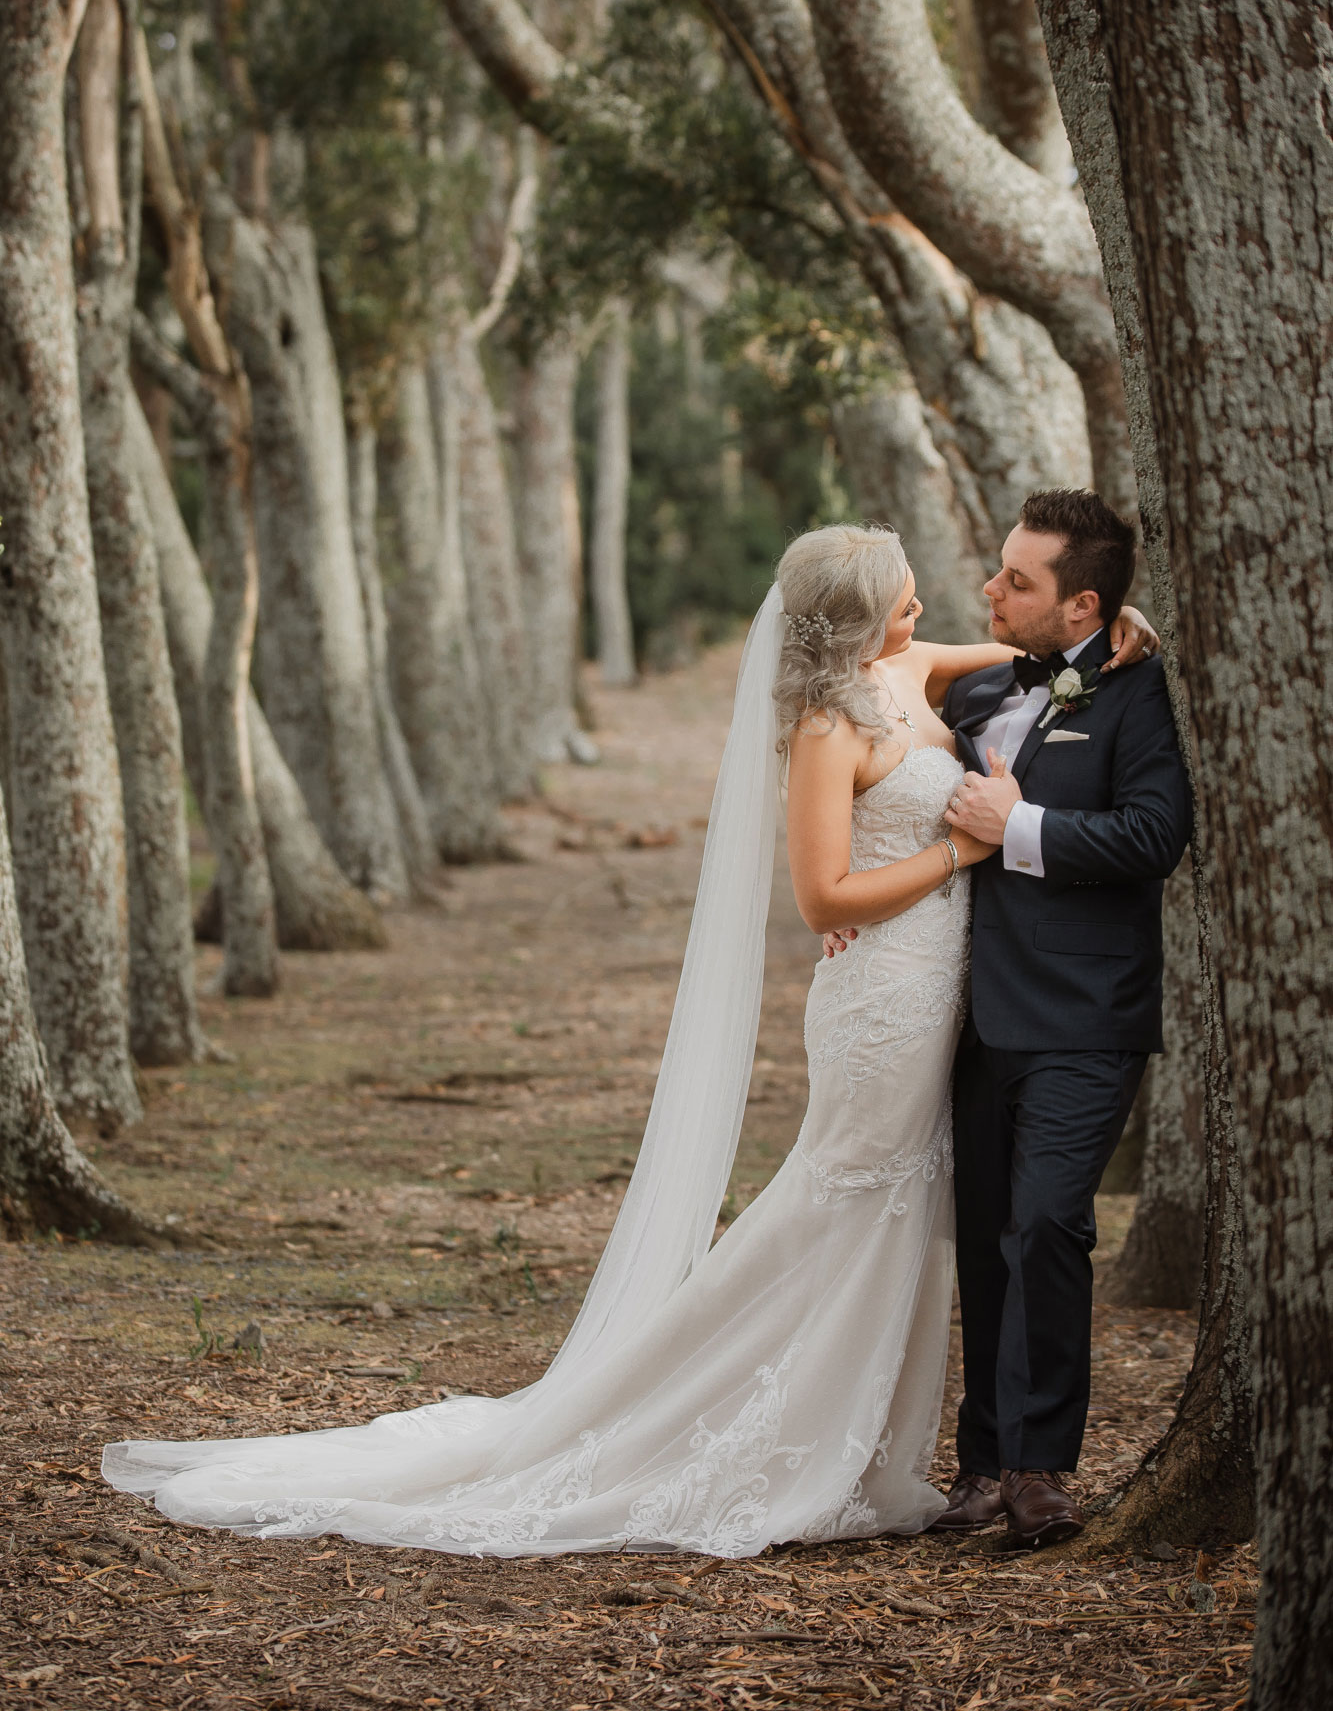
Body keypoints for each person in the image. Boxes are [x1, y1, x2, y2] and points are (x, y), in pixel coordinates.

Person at [102, 521, 1158, 1558]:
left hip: (951, 997)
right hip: (881, 997)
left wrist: (1119, 622)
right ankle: (708, 1418)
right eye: (904, 598)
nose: (931, 608)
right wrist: (958, 853)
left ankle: (896, 1446)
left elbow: (1030, 657)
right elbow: (820, 893)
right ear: (855, 620)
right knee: (847, 1198)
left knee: (901, 1211)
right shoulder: (827, 725)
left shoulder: (916, 663)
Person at [829, 490, 1191, 1547]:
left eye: (1016, 579)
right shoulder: (981, 680)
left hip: (1085, 1015)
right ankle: (980, 1461)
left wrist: (1018, 822)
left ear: (1083, 601)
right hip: (962, 1013)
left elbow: (1152, 835)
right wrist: (850, 898)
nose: (989, 588)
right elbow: (878, 728)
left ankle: (1041, 1466)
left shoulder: (1140, 693)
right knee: (985, 1238)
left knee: (1045, 1223)